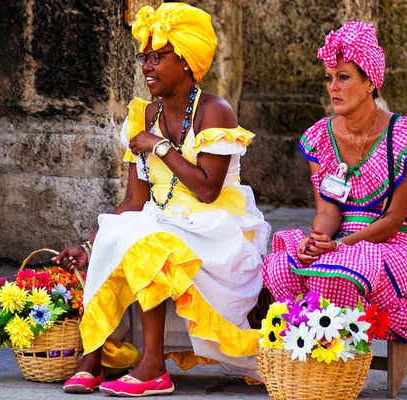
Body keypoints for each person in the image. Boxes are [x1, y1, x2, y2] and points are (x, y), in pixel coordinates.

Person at [53, 3, 270, 396]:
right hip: (163, 218)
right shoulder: (142, 116)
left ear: (186, 61)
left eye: (158, 57)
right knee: (118, 230)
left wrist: (160, 147)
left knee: (148, 242)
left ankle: (153, 365)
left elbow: (208, 189)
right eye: (144, 57)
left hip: (216, 226)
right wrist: (89, 243)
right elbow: (134, 201)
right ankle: (94, 358)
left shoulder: (214, 111)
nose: (147, 67)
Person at [262, 21, 407, 343]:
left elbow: (393, 220)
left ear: (370, 82)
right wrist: (317, 239)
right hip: (341, 242)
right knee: (281, 266)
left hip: (400, 245)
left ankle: (338, 358)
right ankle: (312, 359)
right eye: (329, 78)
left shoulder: (403, 136)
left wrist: (339, 246)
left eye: (344, 78)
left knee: (336, 271)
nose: (333, 87)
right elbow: (328, 210)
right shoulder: (320, 137)